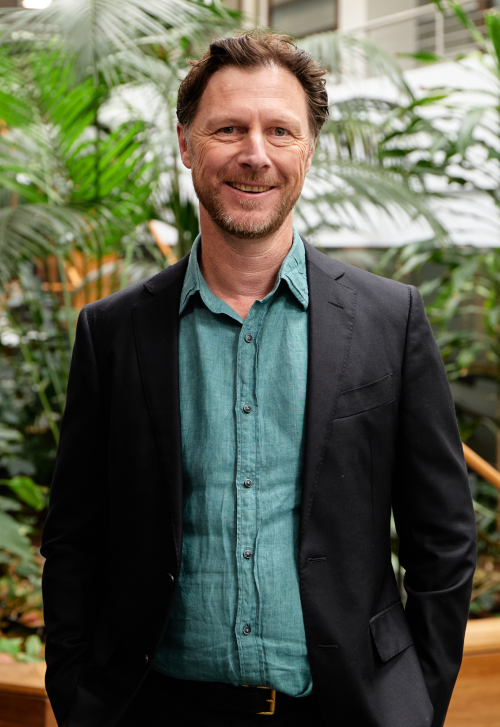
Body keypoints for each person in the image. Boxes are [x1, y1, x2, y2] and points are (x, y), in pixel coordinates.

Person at [41, 31, 477, 727]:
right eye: (228, 129)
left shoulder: (389, 319)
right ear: (186, 144)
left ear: (308, 149)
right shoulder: (113, 332)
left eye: (280, 130)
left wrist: (417, 700)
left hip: (349, 710)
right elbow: (75, 538)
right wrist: (76, 691)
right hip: (156, 708)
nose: (255, 154)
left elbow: (443, 536)